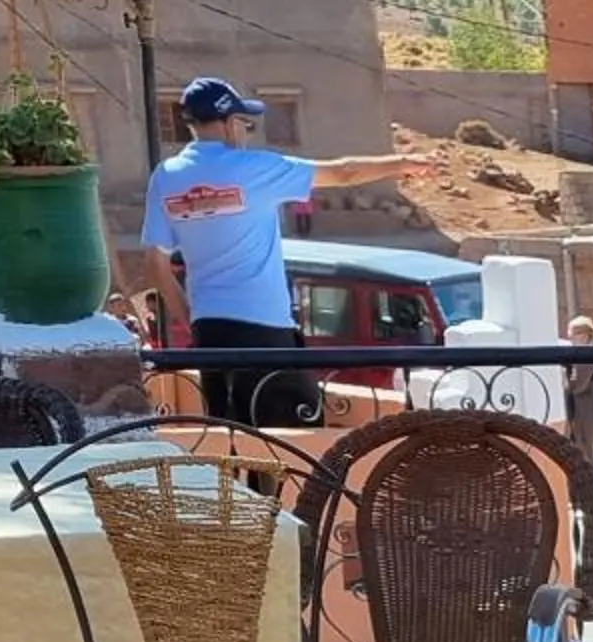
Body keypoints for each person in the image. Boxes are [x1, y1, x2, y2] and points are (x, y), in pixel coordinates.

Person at [127, 79, 428, 424]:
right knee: (288, 442)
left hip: (211, 333)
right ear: (228, 123)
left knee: (232, 440)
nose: (245, 133)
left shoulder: (166, 177)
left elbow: (155, 263)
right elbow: (343, 172)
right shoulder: (254, 168)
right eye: (245, 124)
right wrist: (402, 162)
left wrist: (193, 320)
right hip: (264, 328)